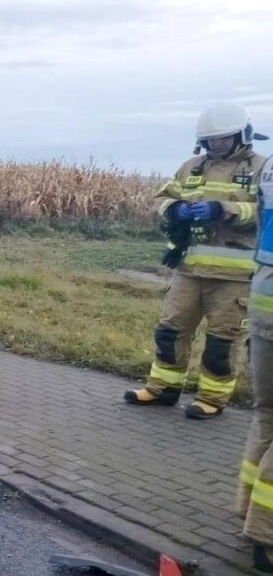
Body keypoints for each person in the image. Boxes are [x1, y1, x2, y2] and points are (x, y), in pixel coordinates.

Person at [124, 102, 266, 419]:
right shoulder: (192, 167)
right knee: (170, 331)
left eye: (223, 138)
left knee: (221, 342)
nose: (216, 144)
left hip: (234, 278)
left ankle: (211, 400)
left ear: (241, 135)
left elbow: (265, 212)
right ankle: (162, 389)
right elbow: (162, 199)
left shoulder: (262, 168)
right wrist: (176, 210)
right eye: (211, 140)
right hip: (189, 270)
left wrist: (222, 210)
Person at [238, 154, 273, 571]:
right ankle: (267, 538)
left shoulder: (268, 166)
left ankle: (248, 514)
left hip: (264, 297)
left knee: (267, 416)